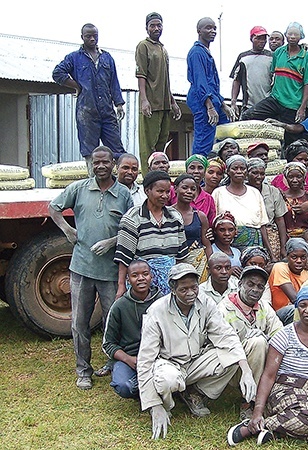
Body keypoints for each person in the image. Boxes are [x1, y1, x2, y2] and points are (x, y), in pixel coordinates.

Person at [226, 285, 308, 446]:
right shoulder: (285, 335)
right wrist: (257, 412)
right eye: (302, 305)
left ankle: (276, 430)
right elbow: (268, 376)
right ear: (297, 308)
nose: (307, 310)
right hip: (285, 390)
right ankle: (251, 427)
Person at [137, 263, 256, 440]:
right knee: (168, 380)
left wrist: (246, 371)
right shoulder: (157, 311)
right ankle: (167, 403)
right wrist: (154, 407)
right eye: (184, 289)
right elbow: (145, 360)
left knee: (231, 358)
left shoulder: (205, 302)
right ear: (172, 289)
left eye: (194, 287)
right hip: (169, 363)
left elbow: (226, 335)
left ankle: (195, 393)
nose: (191, 293)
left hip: (196, 360)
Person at [48, 146, 133, 390]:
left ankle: (111, 363)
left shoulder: (123, 194)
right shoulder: (79, 189)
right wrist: (67, 230)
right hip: (81, 268)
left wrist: (111, 241)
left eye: (105, 162)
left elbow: (130, 228)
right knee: (79, 322)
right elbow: (53, 208)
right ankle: (83, 370)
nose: (100, 166)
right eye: (96, 163)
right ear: (91, 165)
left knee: (112, 322)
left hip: (110, 272)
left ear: (113, 164)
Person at [52, 23, 125, 174]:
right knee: (90, 151)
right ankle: (94, 183)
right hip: (86, 111)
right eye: (88, 36)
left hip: (107, 110)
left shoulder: (107, 57)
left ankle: (121, 184)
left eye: (95, 36)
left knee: (117, 149)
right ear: (82, 37)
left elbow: (114, 82)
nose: (92, 39)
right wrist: (77, 86)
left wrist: (118, 104)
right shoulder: (74, 58)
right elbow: (58, 73)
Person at [218, 265, 283, 420]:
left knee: (264, 342)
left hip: (257, 365)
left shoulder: (264, 307)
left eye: (260, 287)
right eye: (250, 284)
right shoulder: (223, 308)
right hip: (231, 367)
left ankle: (262, 396)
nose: (255, 290)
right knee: (258, 342)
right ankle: (248, 402)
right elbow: (223, 344)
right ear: (240, 284)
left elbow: (280, 335)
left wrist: (266, 337)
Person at [114, 170, 188, 298]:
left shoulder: (175, 217)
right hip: (142, 283)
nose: (165, 196)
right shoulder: (132, 218)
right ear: (147, 191)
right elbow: (124, 257)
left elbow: (181, 256)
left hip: (171, 283)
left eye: (167, 192)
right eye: (160, 191)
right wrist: (121, 286)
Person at [242, 22, 308, 142]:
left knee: (288, 138)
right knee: (248, 116)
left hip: (293, 104)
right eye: (290, 34)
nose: (292, 37)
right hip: (275, 99)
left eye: (295, 35)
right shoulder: (279, 52)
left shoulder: (306, 57)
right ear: (286, 35)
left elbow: (307, 84)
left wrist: (302, 108)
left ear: (301, 37)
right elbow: (273, 75)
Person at [102, 259, 160, 398]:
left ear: (151, 276)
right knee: (124, 386)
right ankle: (144, 388)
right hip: (130, 359)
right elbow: (108, 344)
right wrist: (129, 359)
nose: (141, 278)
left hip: (158, 357)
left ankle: (152, 386)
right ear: (128, 279)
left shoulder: (162, 302)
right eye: (135, 275)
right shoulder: (119, 306)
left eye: (145, 274)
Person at [135, 12, 182, 174]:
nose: (156, 28)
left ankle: (160, 175)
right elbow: (141, 74)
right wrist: (144, 100)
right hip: (151, 103)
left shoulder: (162, 49)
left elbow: (166, 79)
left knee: (162, 142)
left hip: (164, 103)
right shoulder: (143, 46)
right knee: (148, 144)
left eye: (159, 25)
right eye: (152, 25)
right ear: (147, 28)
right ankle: (148, 177)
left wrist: (173, 102)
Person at [187, 17, 234, 156]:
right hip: (203, 102)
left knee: (225, 132)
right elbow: (200, 81)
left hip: (213, 100)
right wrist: (210, 106)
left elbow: (212, 83)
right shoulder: (197, 52)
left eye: (214, 28)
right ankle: (197, 173)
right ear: (199, 31)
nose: (212, 31)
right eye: (208, 28)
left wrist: (222, 104)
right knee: (203, 141)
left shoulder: (206, 52)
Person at [212, 156, 273, 257]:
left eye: (242, 168)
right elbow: (214, 223)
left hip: (253, 242)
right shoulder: (219, 192)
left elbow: (262, 225)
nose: (239, 171)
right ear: (228, 171)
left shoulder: (254, 192)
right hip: (226, 242)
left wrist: (270, 253)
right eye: (235, 168)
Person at [246, 157, 288, 260]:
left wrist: (283, 246)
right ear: (247, 173)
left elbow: (279, 219)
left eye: (262, 174)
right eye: (255, 173)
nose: (259, 177)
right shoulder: (242, 191)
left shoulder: (273, 191)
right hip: (249, 233)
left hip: (270, 234)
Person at [172, 174, 212, 278]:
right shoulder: (167, 214)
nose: (189, 191)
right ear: (175, 189)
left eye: (193, 189)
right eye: (185, 188)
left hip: (198, 263)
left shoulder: (200, 216)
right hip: (174, 263)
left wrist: (211, 265)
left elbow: (207, 244)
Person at [230, 26, 273, 119]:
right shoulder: (243, 57)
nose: (262, 41)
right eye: (258, 38)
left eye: (264, 38)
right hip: (248, 106)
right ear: (251, 39)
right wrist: (233, 102)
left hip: (268, 107)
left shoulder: (271, 57)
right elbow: (236, 80)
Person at [269, 238, 308, 325]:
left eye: (303, 257)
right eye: (294, 257)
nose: (299, 261)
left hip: (300, 312)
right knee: (295, 310)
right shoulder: (280, 267)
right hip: (279, 315)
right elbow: (294, 299)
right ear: (287, 257)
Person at [179, 154, 216, 225]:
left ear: (205, 171)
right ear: (186, 170)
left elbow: (210, 224)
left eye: (200, 168)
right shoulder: (176, 193)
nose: (196, 171)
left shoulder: (208, 199)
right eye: (192, 167)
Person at [281, 162, 308, 237]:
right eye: (291, 177)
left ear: (304, 178)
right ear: (286, 178)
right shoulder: (281, 197)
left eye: (299, 177)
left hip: (307, 237)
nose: (294, 180)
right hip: (286, 237)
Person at [211, 213, 242, 277]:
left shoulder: (237, 252)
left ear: (235, 231)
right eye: (222, 230)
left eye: (231, 230)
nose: (227, 233)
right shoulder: (211, 251)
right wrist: (229, 271)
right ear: (215, 231)